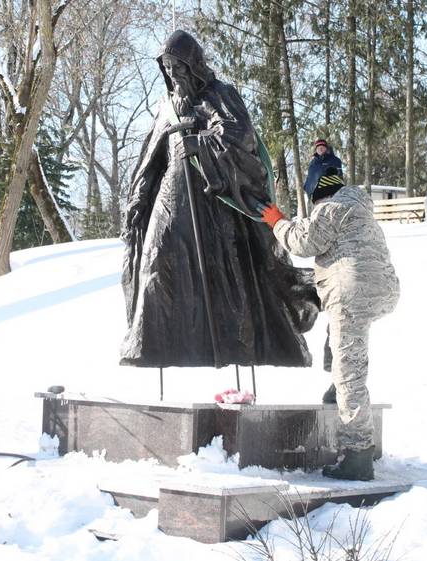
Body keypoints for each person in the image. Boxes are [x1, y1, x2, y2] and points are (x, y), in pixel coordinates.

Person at [120, 30, 319, 369]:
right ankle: (151, 349)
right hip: (171, 197)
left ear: (193, 65)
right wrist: (138, 199)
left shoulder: (219, 94)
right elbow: (151, 158)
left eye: (178, 66)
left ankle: (236, 346)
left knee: (226, 273)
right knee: (156, 260)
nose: (173, 74)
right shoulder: (166, 106)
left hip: (212, 201)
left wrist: (199, 143)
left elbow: (240, 134)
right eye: (167, 68)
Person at [258, 148, 400, 481]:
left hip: (352, 291)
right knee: (344, 343)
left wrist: (277, 220)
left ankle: (358, 454)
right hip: (383, 289)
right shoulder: (359, 206)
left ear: (315, 188)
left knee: (350, 370)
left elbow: (303, 242)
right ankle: (337, 385)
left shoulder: (329, 208)